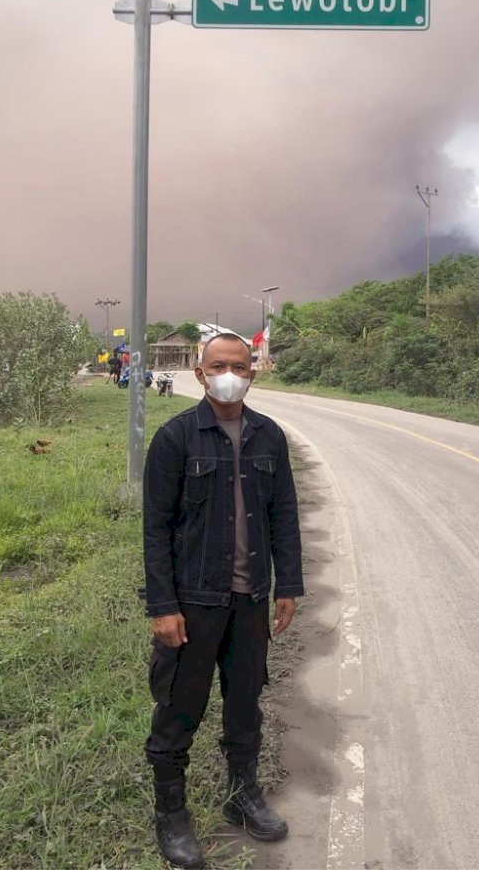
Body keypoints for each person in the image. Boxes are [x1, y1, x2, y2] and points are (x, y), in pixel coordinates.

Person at [142, 333, 303, 870]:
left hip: (251, 599)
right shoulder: (175, 438)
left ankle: (242, 796)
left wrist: (290, 585)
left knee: (244, 705)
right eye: (219, 365)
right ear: (199, 372)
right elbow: (156, 531)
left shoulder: (269, 436)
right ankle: (171, 814)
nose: (229, 373)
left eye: (239, 365)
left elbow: (283, 515)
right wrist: (162, 606)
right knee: (179, 710)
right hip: (194, 601)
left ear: (253, 372)